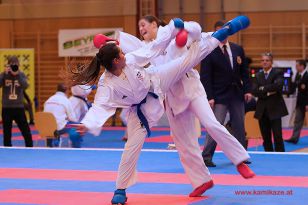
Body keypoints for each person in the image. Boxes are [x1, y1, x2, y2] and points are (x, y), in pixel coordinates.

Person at [71, 17, 254, 205]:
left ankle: (222, 32)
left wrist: (175, 25)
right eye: (121, 54)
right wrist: (87, 123)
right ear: (116, 61)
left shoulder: (133, 58)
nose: (125, 55)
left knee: (188, 60)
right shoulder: (106, 84)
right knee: (131, 148)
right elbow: (100, 106)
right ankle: (120, 188)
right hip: (142, 109)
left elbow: (156, 46)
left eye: (145, 25)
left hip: (157, 81)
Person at [137, 14, 253, 186]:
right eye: (139, 27)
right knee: (183, 142)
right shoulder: (147, 48)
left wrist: (182, 26)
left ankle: (239, 159)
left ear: (154, 24)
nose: (141, 29)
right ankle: (202, 181)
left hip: (191, 86)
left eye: (143, 25)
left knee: (212, 123)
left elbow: (197, 30)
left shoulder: (171, 31)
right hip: (172, 95)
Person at [200, 20, 252, 167]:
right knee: (215, 126)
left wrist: (247, 89)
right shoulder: (209, 51)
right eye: (220, 31)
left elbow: (244, 72)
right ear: (215, 33)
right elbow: (205, 76)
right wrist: (209, 96)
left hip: (236, 93)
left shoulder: (237, 49)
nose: (223, 34)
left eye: (225, 31)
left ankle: (241, 156)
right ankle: (206, 156)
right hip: (218, 95)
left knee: (239, 126)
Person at [252, 53, 288, 152]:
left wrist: (263, 88)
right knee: (266, 137)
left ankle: (281, 156)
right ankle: (268, 154)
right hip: (262, 110)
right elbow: (254, 91)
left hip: (275, 108)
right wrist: (269, 91)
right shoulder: (258, 75)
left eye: (267, 60)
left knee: (277, 136)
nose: (264, 62)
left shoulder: (278, 73)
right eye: (263, 60)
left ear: (271, 62)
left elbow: (278, 86)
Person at [0, 56, 33, 147]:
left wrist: (17, 75)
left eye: (16, 64)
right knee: (7, 133)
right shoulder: (4, 74)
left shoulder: (21, 74)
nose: (14, 66)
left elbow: (25, 86)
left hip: (19, 107)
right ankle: (8, 150)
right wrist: (4, 74)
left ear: (18, 65)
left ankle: (30, 149)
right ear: (8, 65)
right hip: (6, 108)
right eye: (12, 64)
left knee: (26, 132)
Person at [43, 83, 78, 147]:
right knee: (74, 124)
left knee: (52, 124)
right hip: (60, 129)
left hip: (46, 128)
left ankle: (49, 144)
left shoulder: (48, 100)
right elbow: (73, 118)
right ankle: (75, 146)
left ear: (57, 90)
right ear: (66, 91)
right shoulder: (66, 101)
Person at [285, 59, 308, 144]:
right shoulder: (298, 75)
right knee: (298, 120)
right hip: (300, 102)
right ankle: (294, 138)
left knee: (298, 120)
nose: (296, 67)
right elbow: (295, 88)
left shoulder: (307, 76)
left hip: (305, 102)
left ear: (302, 66)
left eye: (297, 66)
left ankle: (294, 137)